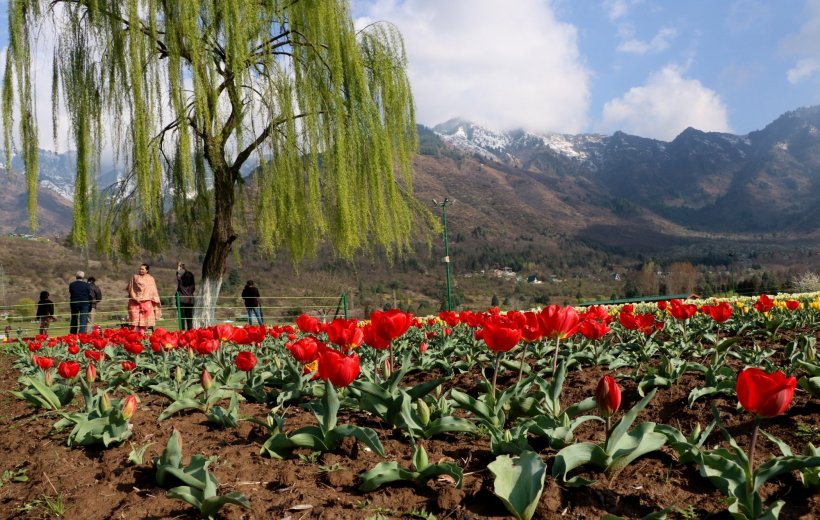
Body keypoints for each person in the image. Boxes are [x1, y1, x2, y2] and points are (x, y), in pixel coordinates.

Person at [126, 264, 162, 333]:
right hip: (134, 301)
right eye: (140, 269)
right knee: (134, 322)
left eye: (142, 269)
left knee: (144, 322)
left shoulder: (151, 279)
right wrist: (135, 298)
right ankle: (133, 337)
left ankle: (142, 335)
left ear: (147, 270)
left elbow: (153, 291)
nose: (140, 270)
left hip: (146, 302)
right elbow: (130, 289)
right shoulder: (135, 277)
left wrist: (146, 298)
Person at [176, 262, 196, 331]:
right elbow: (189, 275)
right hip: (190, 301)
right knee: (189, 318)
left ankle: (182, 331)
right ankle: (190, 331)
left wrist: (179, 265)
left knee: (182, 318)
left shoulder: (181, 282)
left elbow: (178, 273)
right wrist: (185, 268)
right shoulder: (192, 284)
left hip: (181, 301)